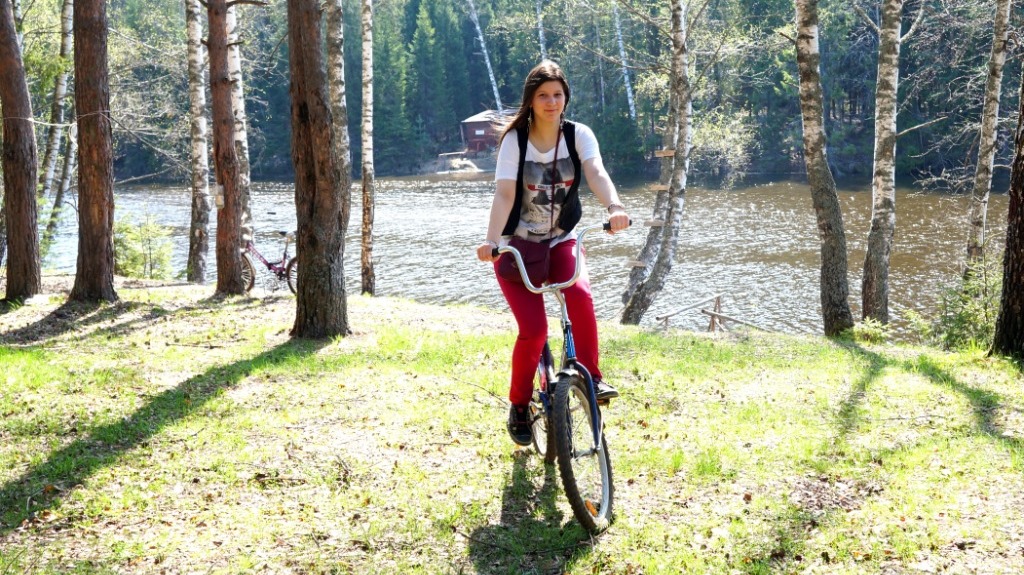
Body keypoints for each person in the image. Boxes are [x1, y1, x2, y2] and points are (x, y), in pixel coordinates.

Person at [475, 60, 630, 447]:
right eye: (543, 95)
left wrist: (614, 206)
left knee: (579, 295)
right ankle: (519, 405)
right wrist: (492, 241)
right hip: (516, 245)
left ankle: (591, 378)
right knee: (534, 332)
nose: (551, 102)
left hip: (561, 238)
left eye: (558, 95)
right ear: (531, 100)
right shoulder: (515, 141)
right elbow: (505, 193)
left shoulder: (578, 135)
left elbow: (595, 171)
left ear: (566, 98)